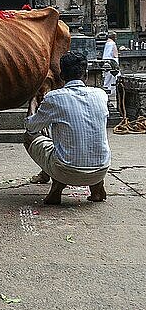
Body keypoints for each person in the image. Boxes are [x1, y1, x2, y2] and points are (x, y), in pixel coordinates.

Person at [23, 52, 111, 205]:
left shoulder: (54, 98)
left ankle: (57, 187)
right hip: (101, 169)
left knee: (29, 137)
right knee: (72, 134)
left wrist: (32, 104)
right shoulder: (101, 95)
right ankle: (97, 187)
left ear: (62, 75)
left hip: (67, 171)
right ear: (86, 74)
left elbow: (31, 127)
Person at [102, 31, 119, 96]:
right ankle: (111, 91)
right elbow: (115, 54)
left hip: (106, 61)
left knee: (107, 77)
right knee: (113, 77)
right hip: (112, 62)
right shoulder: (112, 43)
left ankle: (106, 88)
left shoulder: (107, 43)